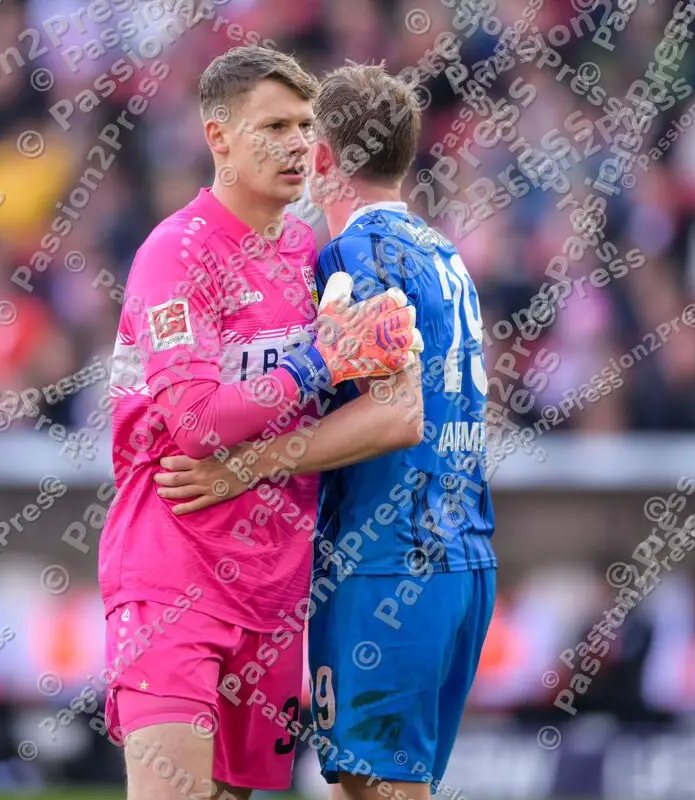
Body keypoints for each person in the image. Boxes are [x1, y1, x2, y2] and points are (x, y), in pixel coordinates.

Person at [154, 63, 497, 800]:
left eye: (302, 132)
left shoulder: (354, 257)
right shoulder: (445, 255)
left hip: (389, 561)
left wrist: (244, 467)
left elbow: (397, 414)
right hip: (463, 553)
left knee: (376, 792)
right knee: (362, 787)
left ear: (322, 159)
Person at [100, 47, 421, 800]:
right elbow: (195, 423)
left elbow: (382, 409)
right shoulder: (174, 257)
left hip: (277, 587)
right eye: (273, 126)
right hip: (171, 569)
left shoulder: (310, 253)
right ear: (218, 139)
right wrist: (319, 361)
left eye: (306, 126)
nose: (297, 145)